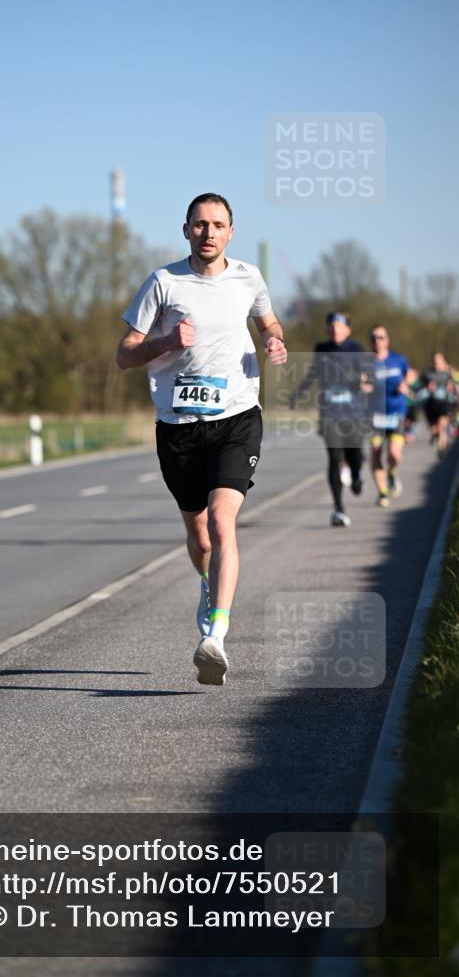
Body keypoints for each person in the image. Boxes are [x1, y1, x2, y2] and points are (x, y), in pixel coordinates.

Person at [116, 193, 287, 686]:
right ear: (186, 230)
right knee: (199, 537)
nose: (208, 232)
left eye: (218, 224)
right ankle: (206, 588)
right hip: (178, 427)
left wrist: (274, 339)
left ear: (231, 231)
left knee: (221, 520)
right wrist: (165, 343)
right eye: (200, 224)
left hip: (237, 416)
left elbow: (268, 320)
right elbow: (124, 355)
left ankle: (216, 634)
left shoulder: (249, 277)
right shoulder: (163, 283)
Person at [290, 312, 371, 528]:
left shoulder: (356, 350)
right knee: (334, 458)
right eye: (331, 327)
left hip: (353, 414)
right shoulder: (321, 349)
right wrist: (299, 393)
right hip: (330, 414)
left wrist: (363, 380)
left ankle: (356, 474)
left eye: (339, 326)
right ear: (327, 330)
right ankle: (339, 509)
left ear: (347, 330)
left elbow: (367, 374)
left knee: (354, 456)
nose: (335, 330)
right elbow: (313, 373)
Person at [368, 326, 409, 507]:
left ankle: (392, 472)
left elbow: (410, 375)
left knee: (393, 454)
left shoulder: (398, 360)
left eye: (381, 337)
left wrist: (405, 385)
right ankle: (383, 493)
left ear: (387, 340)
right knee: (376, 453)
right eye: (374, 338)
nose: (378, 341)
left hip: (396, 413)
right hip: (375, 415)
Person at [420, 353, 456, 458]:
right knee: (434, 429)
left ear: (443, 361)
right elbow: (419, 385)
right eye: (435, 362)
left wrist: (451, 386)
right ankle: (437, 437)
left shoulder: (448, 372)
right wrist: (427, 386)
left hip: (445, 404)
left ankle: (441, 449)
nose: (437, 364)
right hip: (431, 405)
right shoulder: (427, 374)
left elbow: (455, 384)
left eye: (439, 361)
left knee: (442, 426)